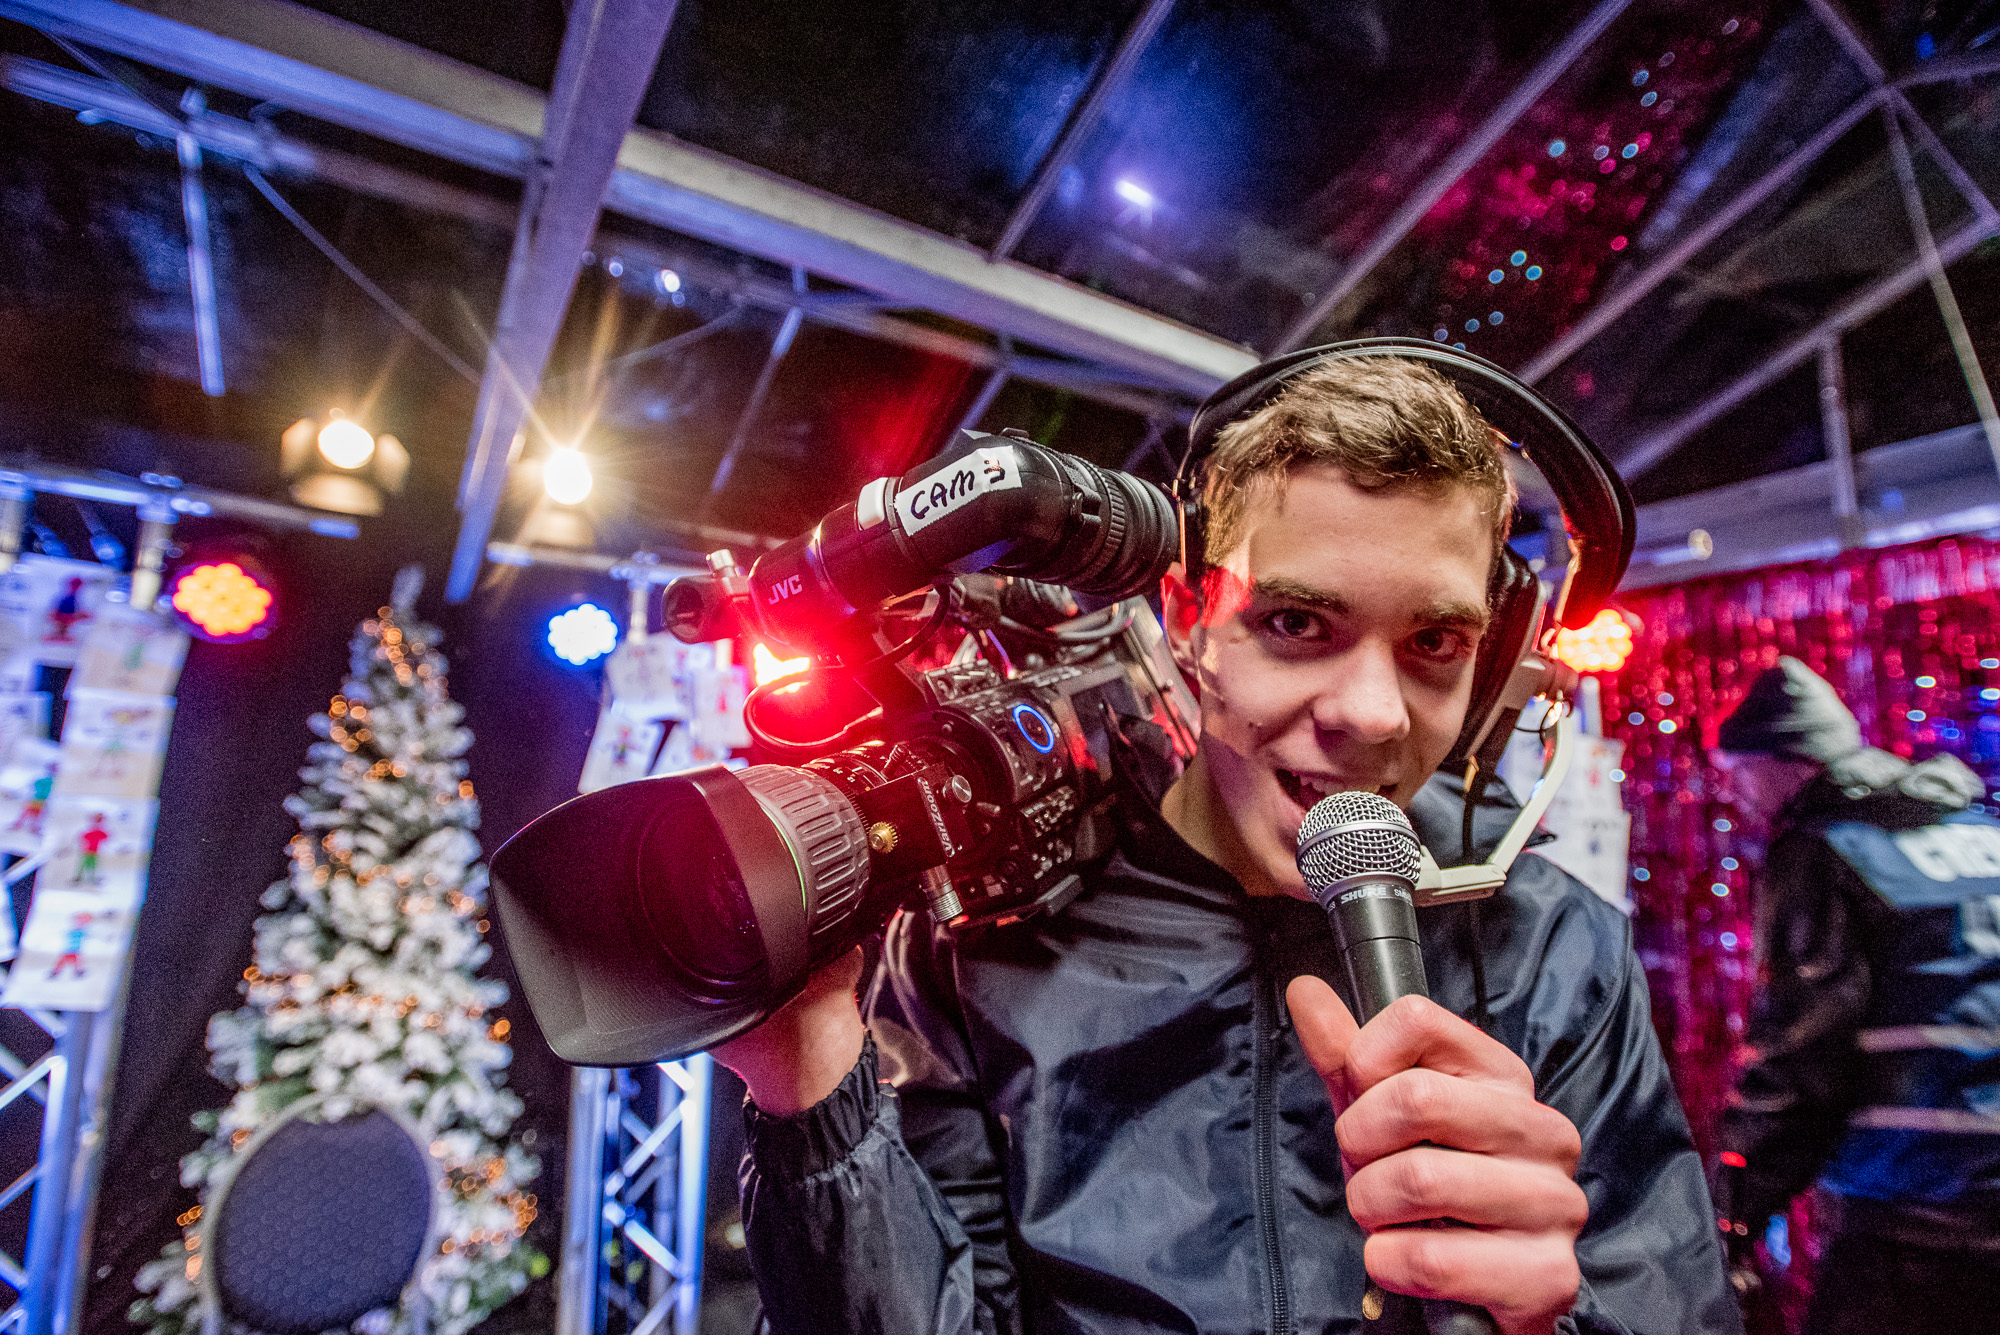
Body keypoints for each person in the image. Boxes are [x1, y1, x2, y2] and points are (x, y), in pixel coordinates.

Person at [715, 356, 1738, 1334]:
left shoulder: (1557, 950)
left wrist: (1548, 1322)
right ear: (1187, 618)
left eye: (1434, 641)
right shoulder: (972, 944)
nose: (1373, 715)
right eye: (1296, 622)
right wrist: (813, 1094)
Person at [1711, 657, 2000, 1334]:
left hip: (1918, 1208)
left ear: (1786, 762)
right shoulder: (1980, 828)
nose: (1736, 795)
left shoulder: (1824, 846)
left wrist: (1729, 1214)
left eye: (1738, 772)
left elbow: (1804, 1052)